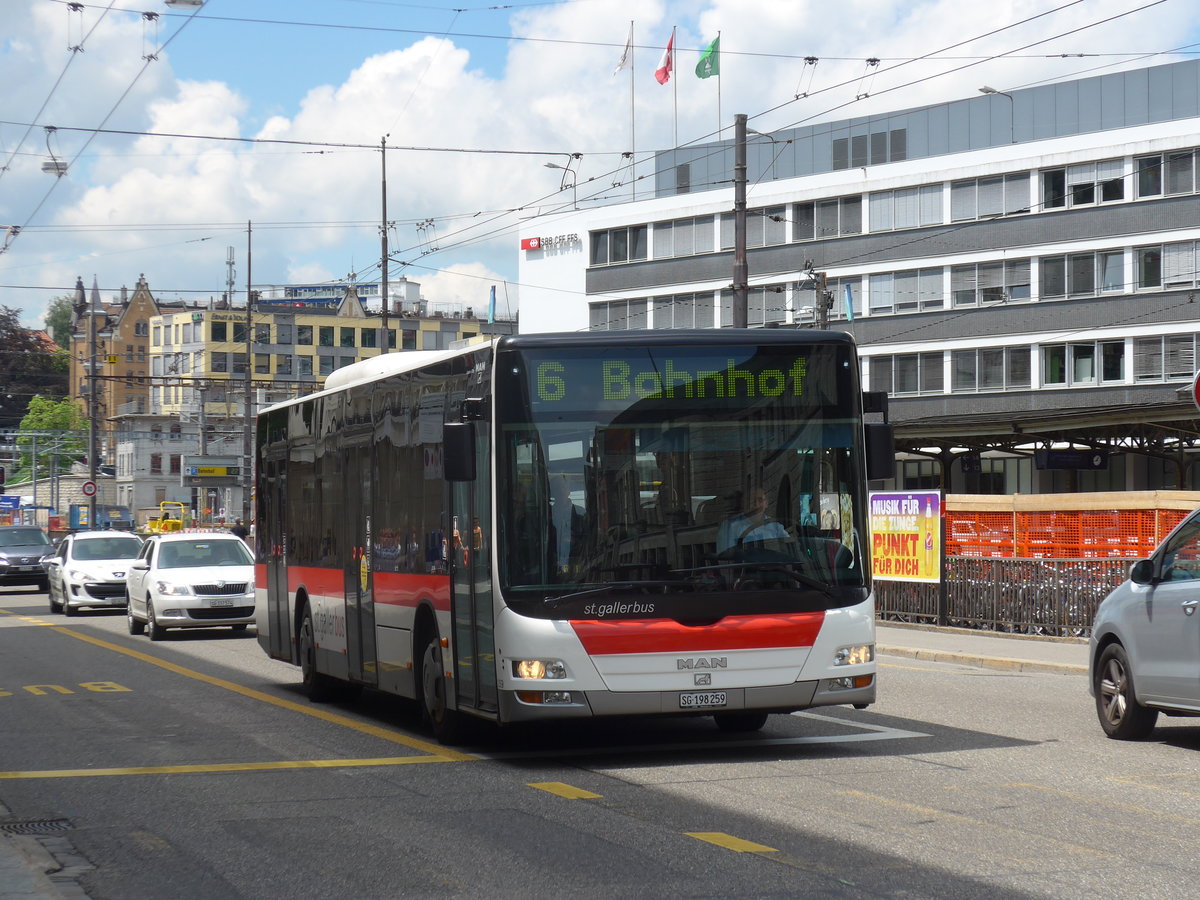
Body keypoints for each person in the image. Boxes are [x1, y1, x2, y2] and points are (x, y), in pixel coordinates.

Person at [717, 487, 789, 555]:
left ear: (766, 504)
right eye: (752, 501)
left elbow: (789, 546)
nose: (756, 505)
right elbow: (727, 556)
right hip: (745, 567)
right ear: (744, 503)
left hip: (774, 565)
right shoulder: (732, 526)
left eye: (760, 500)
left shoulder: (775, 526)